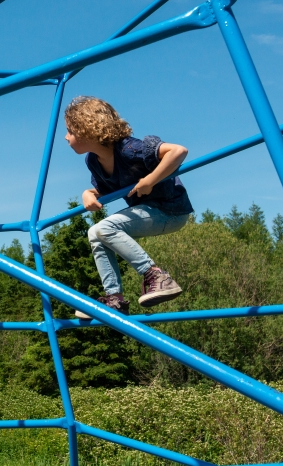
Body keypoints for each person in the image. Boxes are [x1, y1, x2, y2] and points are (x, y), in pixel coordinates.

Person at [63, 95, 193, 318]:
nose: (66, 138)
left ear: (86, 130)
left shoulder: (129, 149)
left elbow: (178, 151)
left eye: (70, 131)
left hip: (170, 210)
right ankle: (114, 298)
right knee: (95, 234)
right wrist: (88, 193)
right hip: (148, 212)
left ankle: (157, 276)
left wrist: (150, 179)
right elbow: (106, 189)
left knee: (105, 228)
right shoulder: (93, 161)